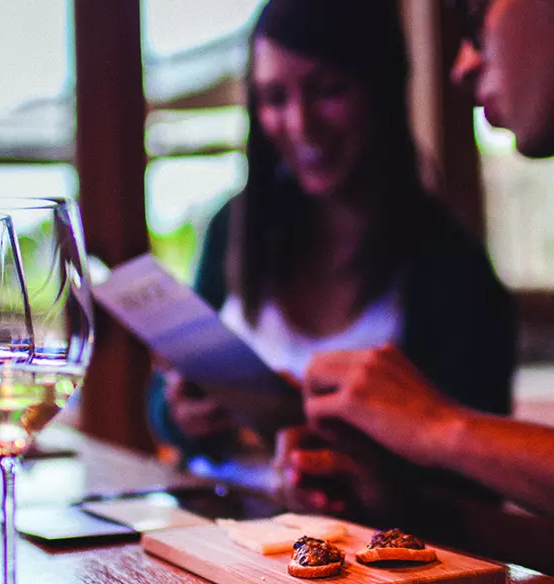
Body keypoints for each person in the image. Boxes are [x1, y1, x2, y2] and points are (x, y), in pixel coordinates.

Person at [147, 0, 515, 494]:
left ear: (380, 89)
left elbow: (478, 483)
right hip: (224, 535)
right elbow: (160, 402)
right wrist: (178, 412)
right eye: (275, 97)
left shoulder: (452, 269)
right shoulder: (233, 227)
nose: (300, 124)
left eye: (327, 90)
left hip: (356, 554)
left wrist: (368, 472)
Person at [291, 0, 554, 516]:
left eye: (476, 23)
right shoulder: (234, 230)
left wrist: (437, 425)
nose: (461, 67)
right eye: (271, 97)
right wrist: (397, 499)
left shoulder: (449, 259)